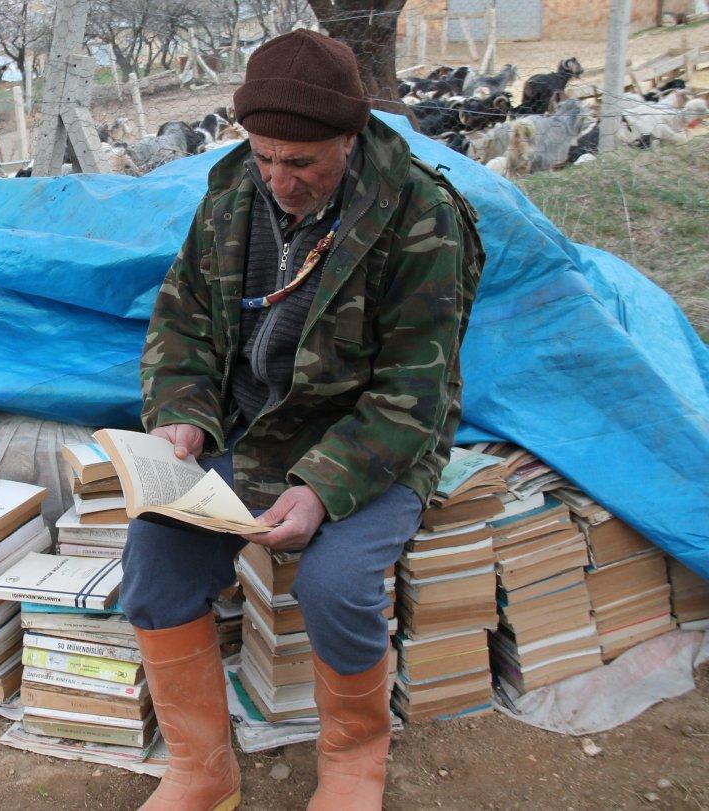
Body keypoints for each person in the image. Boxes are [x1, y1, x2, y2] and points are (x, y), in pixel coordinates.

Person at [120, 30, 484, 811]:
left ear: (350, 141)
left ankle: (354, 761)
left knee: (336, 581)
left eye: (303, 163)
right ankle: (201, 770)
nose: (280, 180)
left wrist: (322, 486)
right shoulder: (230, 198)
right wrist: (181, 416)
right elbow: (180, 321)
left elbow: (413, 392)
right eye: (265, 157)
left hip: (375, 443)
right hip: (250, 429)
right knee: (154, 553)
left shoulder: (421, 216)